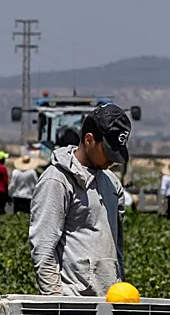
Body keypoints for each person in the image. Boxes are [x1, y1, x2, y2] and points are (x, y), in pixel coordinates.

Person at [30, 103, 132, 296]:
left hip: (110, 300)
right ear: (89, 140)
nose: (113, 161)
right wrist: (57, 304)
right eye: (108, 152)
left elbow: (117, 248)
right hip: (73, 304)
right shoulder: (57, 180)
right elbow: (43, 248)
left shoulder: (112, 182)